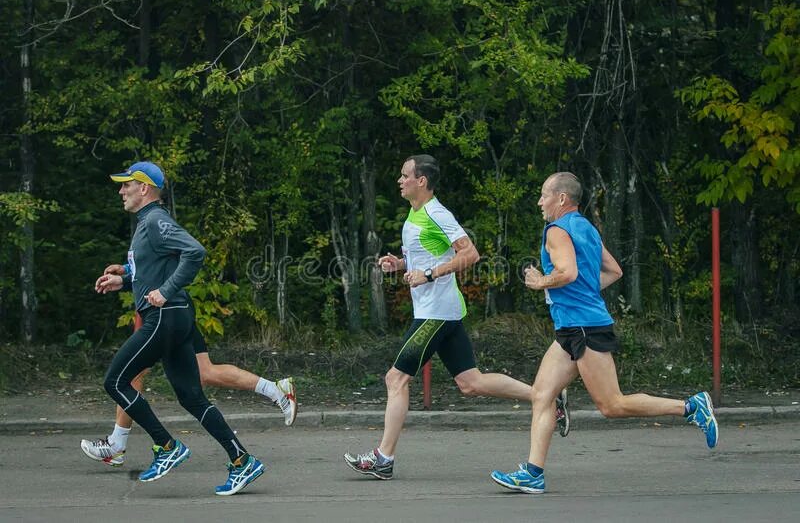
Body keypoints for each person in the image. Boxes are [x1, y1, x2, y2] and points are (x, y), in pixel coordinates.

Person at [490, 172, 719, 494]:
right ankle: (533, 473)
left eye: (544, 195)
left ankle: (691, 407)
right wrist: (583, 293)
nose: (539, 202)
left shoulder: (556, 231)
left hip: (584, 327)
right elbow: (614, 271)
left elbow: (566, 272)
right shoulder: (586, 228)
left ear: (561, 199)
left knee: (612, 405)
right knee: (542, 395)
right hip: (572, 327)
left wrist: (541, 281)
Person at [343, 154, 569, 481]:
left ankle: (383, 458)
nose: (400, 180)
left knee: (396, 378)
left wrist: (430, 274)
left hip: (436, 313)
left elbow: (470, 254)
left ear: (422, 181)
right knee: (470, 383)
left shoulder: (437, 212)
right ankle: (547, 397)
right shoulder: (416, 212)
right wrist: (402, 265)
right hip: (439, 311)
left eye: (405, 175)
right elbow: (427, 256)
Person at [92, 161, 265, 495]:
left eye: (127, 184)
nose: (121, 190)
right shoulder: (146, 224)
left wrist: (166, 291)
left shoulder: (155, 220)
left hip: (166, 316)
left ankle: (166, 447)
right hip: (174, 315)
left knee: (115, 381)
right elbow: (154, 271)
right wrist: (123, 281)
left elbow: (194, 252)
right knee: (191, 397)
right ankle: (243, 461)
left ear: (144, 188)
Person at [80, 275, 297, 467]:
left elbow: (168, 258)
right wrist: (126, 273)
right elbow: (149, 262)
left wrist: (127, 275)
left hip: (164, 308)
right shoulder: (147, 231)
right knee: (205, 371)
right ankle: (275, 390)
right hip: (171, 305)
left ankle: (118, 444)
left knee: (130, 375)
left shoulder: (154, 228)